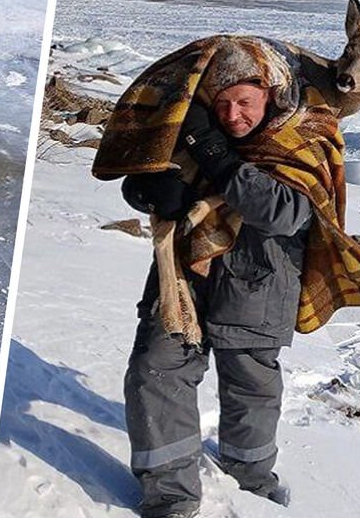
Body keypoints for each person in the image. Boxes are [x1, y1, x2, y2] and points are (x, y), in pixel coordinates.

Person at [121, 81, 314, 518]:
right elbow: (137, 172)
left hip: (259, 280)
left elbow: (285, 213)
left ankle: (251, 484)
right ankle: (171, 497)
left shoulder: (301, 140)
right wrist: (147, 190)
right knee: (155, 369)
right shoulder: (187, 130)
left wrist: (216, 156)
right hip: (182, 275)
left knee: (251, 385)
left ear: (270, 96)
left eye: (244, 103)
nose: (232, 115)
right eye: (222, 104)